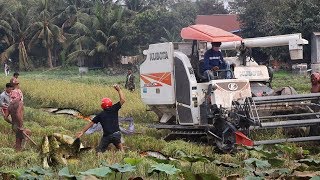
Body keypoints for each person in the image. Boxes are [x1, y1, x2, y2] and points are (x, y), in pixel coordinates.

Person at [76, 84, 126, 152]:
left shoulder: (100, 115)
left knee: (99, 151)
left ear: (102, 106)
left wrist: (82, 132)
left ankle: (99, 157)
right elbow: (123, 100)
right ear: (110, 104)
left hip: (107, 136)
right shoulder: (114, 108)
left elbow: (91, 123)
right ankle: (123, 154)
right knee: (119, 144)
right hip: (116, 134)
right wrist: (119, 90)